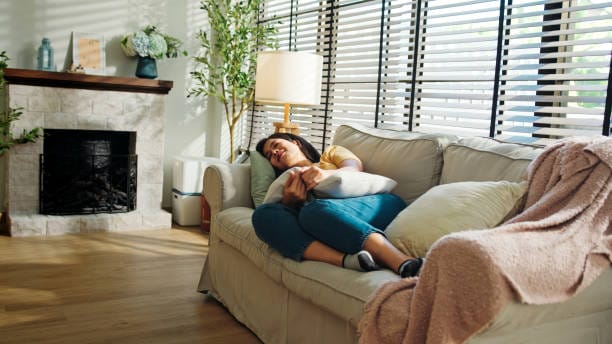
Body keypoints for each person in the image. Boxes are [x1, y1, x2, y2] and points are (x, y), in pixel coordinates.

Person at [251, 132, 424, 278]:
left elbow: (354, 167)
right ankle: (348, 261)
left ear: (294, 142)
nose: (274, 152)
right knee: (262, 215)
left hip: (379, 204)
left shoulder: (330, 154)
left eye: (275, 144)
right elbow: (285, 223)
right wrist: (290, 203)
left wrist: (325, 174)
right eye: (269, 155)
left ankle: (402, 262)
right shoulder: (286, 185)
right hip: (326, 223)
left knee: (313, 211)